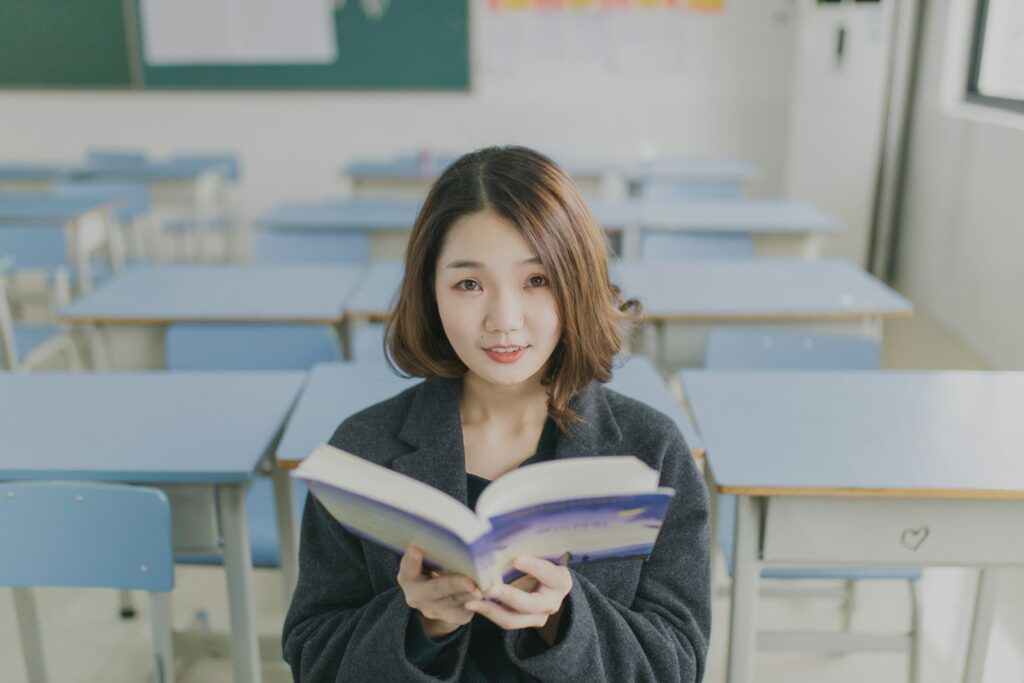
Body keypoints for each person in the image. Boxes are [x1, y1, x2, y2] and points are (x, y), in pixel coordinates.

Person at [283, 146, 710, 682]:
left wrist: (564, 620)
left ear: (576, 284)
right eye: (469, 284)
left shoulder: (652, 451)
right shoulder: (363, 449)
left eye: (537, 280)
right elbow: (312, 658)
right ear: (431, 292)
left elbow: (677, 665)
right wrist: (420, 626)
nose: (504, 320)